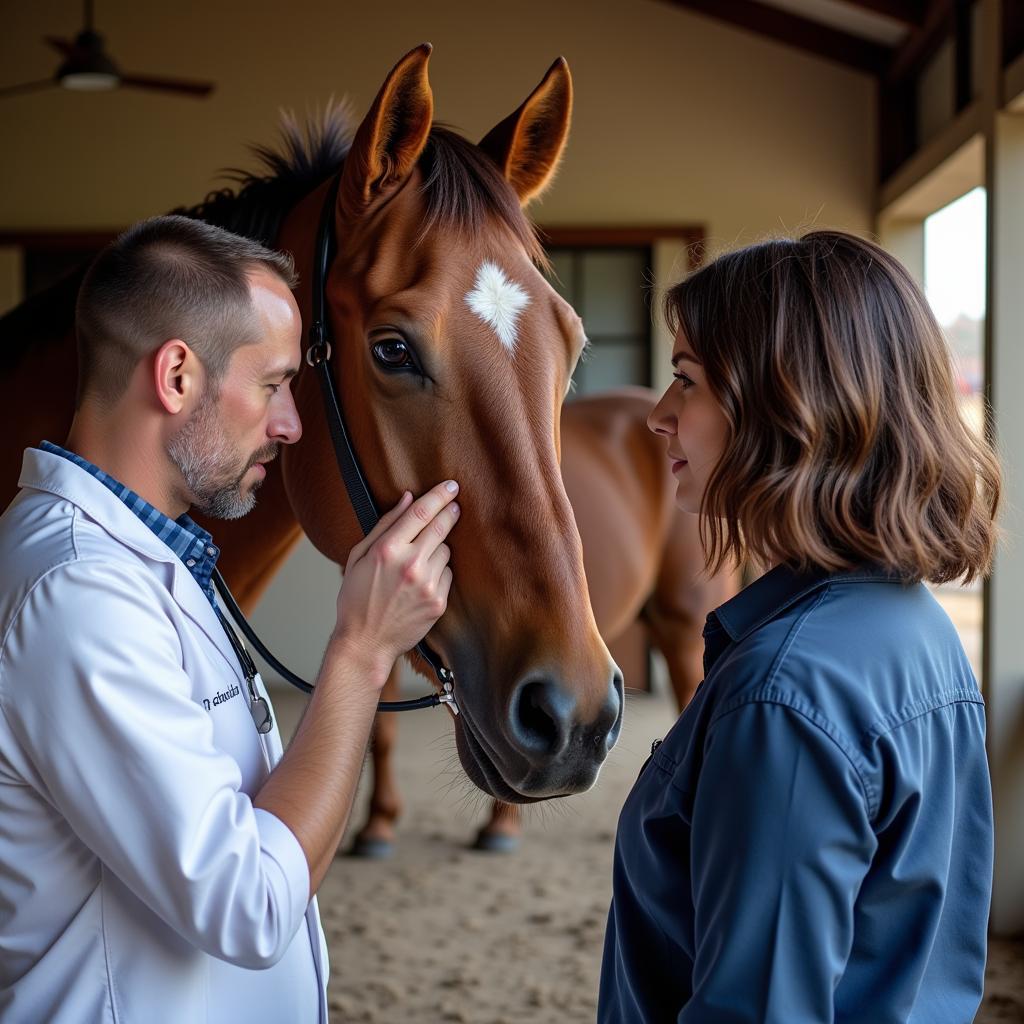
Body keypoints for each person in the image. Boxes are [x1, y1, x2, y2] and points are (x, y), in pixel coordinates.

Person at [0, 215, 459, 1023]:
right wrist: (359, 652)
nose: (290, 424)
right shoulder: (79, 594)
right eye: (275, 384)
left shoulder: (148, 554)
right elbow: (248, 905)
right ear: (176, 376)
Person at [598, 231, 1000, 1023]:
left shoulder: (782, 697)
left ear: (785, 402)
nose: (658, 415)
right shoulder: (916, 628)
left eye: (686, 381)